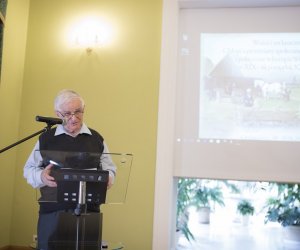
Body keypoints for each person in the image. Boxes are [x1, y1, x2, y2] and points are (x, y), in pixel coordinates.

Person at [23, 89, 116, 250]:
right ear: (58, 114)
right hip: (52, 212)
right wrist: (41, 177)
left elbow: (110, 169)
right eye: (67, 113)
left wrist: (109, 177)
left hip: (89, 212)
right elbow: (28, 169)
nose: (74, 117)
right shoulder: (46, 138)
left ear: (83, 110)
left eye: (78, 111)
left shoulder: (96, 138)